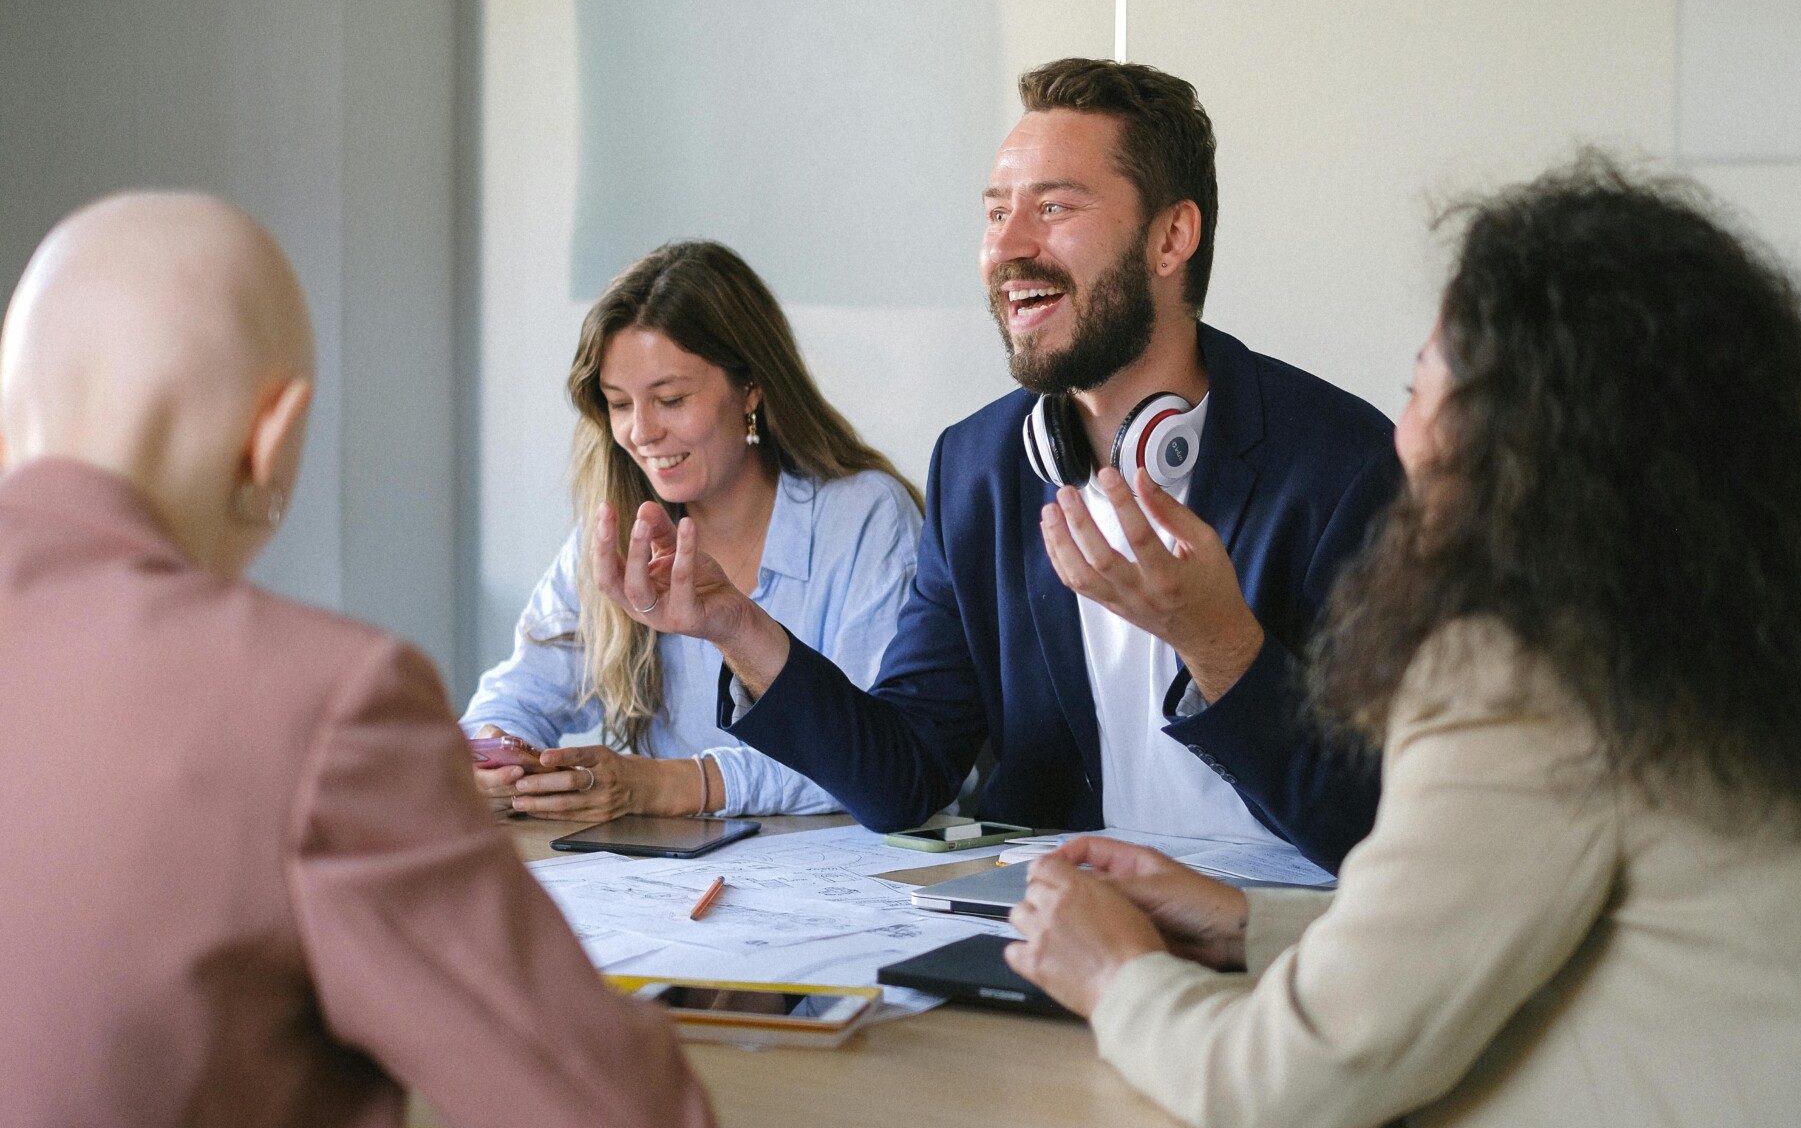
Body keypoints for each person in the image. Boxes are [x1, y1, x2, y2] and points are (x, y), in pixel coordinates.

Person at [1002, 158, 1801, 1128]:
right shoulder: (1751, 640)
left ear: (1502, 437)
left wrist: (1116, 971)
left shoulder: (1527, 672)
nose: (1400, 437)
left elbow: (1280, 1086)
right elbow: (1572, 931)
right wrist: (1249, 923)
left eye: (1416, 389)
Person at [0, 193, 713, 1127]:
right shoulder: (321, 705)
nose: (643, 430)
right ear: (275, 435)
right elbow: (616, 1111)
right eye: (622, 405)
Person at [606, 60, 1401, 870]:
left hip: (1277, 944)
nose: (1008, 249)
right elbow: (904, 779)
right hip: (1059, 930)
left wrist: (1219, 642)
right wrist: (737, 628)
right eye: (996, 214)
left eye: (1054, 208)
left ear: (1171, 237)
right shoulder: (980, 465)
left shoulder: (1343, 465)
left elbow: (1371, 823)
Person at [461, 240, 923, 820]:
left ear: (751, 386)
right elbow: (520, 693)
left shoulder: (864, 518)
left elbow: (888, 760)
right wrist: (493, 759)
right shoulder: (620, 526)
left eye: (671, 399)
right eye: (619, 404)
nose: (642, 432)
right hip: (672, 885)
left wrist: (674, 785)